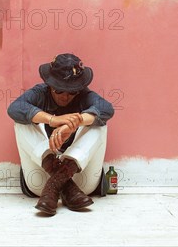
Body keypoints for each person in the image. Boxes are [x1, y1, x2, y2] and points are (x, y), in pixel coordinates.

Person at [7, 53, 114, 215]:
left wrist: (74, 123)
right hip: (40, 181)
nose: (65, 96)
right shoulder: (40, 93)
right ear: (50, 85)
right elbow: (14, 108)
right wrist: (52, 120)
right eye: (59, 90)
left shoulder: (84, 95)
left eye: (71, 92)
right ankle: (60, 180)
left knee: (98, 123)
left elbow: (107, 109)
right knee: (21, 122)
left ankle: (57, 182)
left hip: (83, 183)